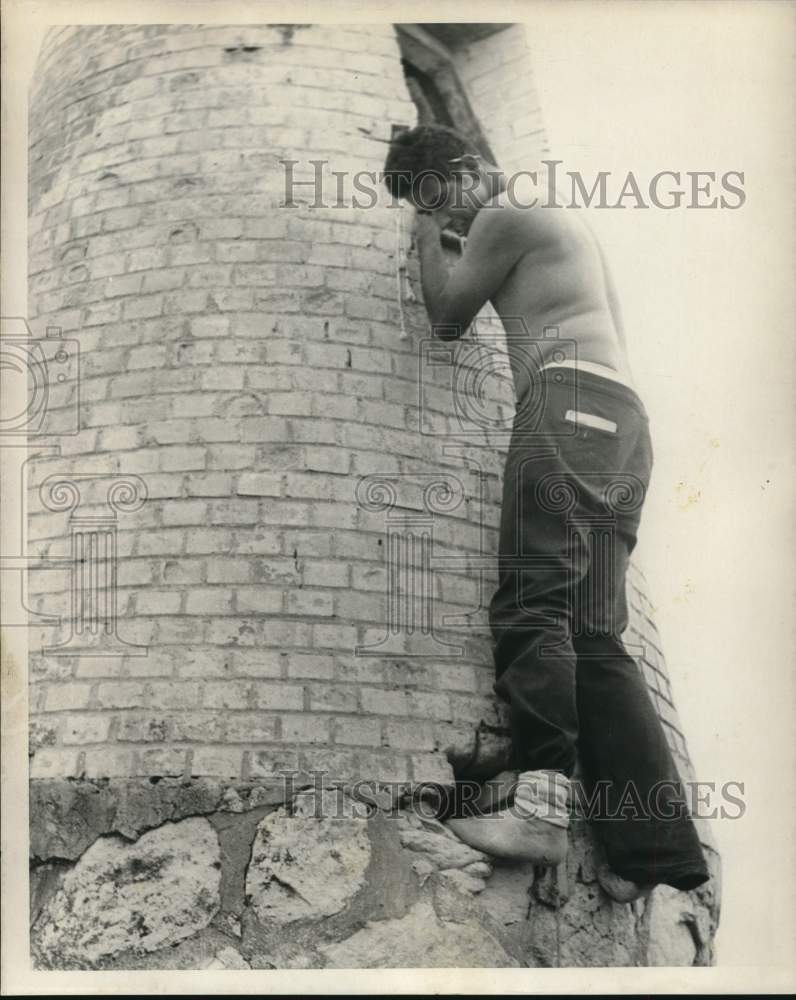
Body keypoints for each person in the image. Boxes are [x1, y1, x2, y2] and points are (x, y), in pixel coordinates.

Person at [383, 124, 710, 897]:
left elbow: (448, 314)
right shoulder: (565, 219)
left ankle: (540, 809)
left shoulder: (505, 211)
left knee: (533, 604)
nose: (450, 219)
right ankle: (655, 853)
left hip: (563, 406)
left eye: (440, 198)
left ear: (463, 172)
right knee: (595, 638)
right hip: (623, 425)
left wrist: (427, 234)